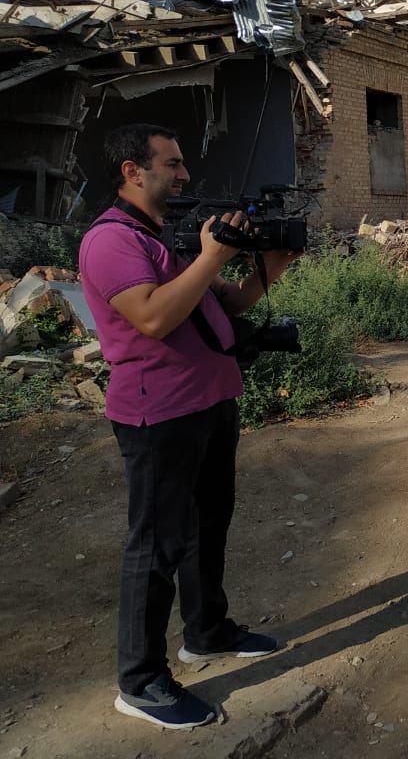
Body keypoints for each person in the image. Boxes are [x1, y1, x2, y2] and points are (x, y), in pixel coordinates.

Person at [78, 124, 299, 730]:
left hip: (208, 403)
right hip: (158, 415)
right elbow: (151, 317)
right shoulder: (110, 242)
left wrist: (269, 267)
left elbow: (227, 304)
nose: (183, 175)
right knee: (155, 547)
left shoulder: (165, 235)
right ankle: (141, 681)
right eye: (171, 164)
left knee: (207, 526)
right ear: (133, 171)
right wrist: (208, 256)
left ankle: (206, 632)